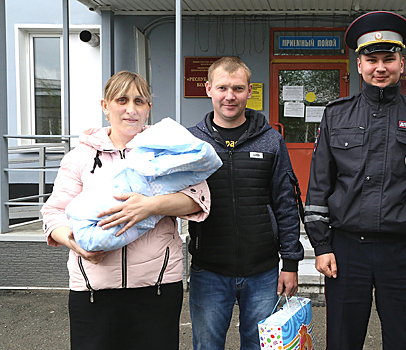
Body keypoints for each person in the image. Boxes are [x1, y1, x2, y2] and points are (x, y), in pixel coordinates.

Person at [304, 11, 406, 350]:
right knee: (342, 340)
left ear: (402, 63)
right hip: (344, 250)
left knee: (403, 340)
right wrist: (322, 246)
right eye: (372, 59)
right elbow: (319, 186)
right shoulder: (336, 115)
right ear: (359, 65)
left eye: (389, 59)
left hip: (401, 251)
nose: (380, 67)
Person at [41, 71, 212, 350]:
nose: (131, 109)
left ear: (149, 109)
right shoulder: (81, 156)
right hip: (93, 290)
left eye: (139, 101)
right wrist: (76, 243)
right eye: (122, 100)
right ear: (105, 106)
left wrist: (149, 206)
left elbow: (198, 198)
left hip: (156, 288)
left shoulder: (168, 148)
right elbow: (54, 213)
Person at [187, 57, 304, 350]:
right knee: (207, 346)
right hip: (209, 270)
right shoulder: (191, 143)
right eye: (222, 88)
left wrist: (290, 263)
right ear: (208, 89)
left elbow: (286, 203)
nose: (230, 96)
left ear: (249, 90)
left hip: (262, 272)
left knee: (259, 346)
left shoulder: (271, 141)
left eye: (238, 88)